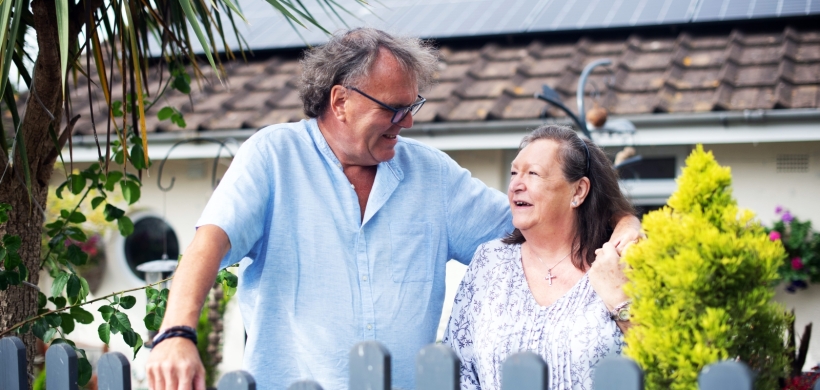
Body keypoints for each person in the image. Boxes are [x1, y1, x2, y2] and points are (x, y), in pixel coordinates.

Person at [146, 29, 642, 390]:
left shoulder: (433, 176)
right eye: (392, 108)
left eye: (413, 106)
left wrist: (621, 220)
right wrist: (177, 331)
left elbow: (542, 226)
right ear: (340, 101)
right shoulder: (274, 156)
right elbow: (210, 241)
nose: (405, 122)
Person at [444, 125, 636, 390]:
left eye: (533, 174)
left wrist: (621, 301)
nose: (515, 186)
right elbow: (456, 367)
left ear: (578, 191)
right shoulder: (489, 261)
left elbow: (664, 364)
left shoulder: (621, 264)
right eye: (513, 173)